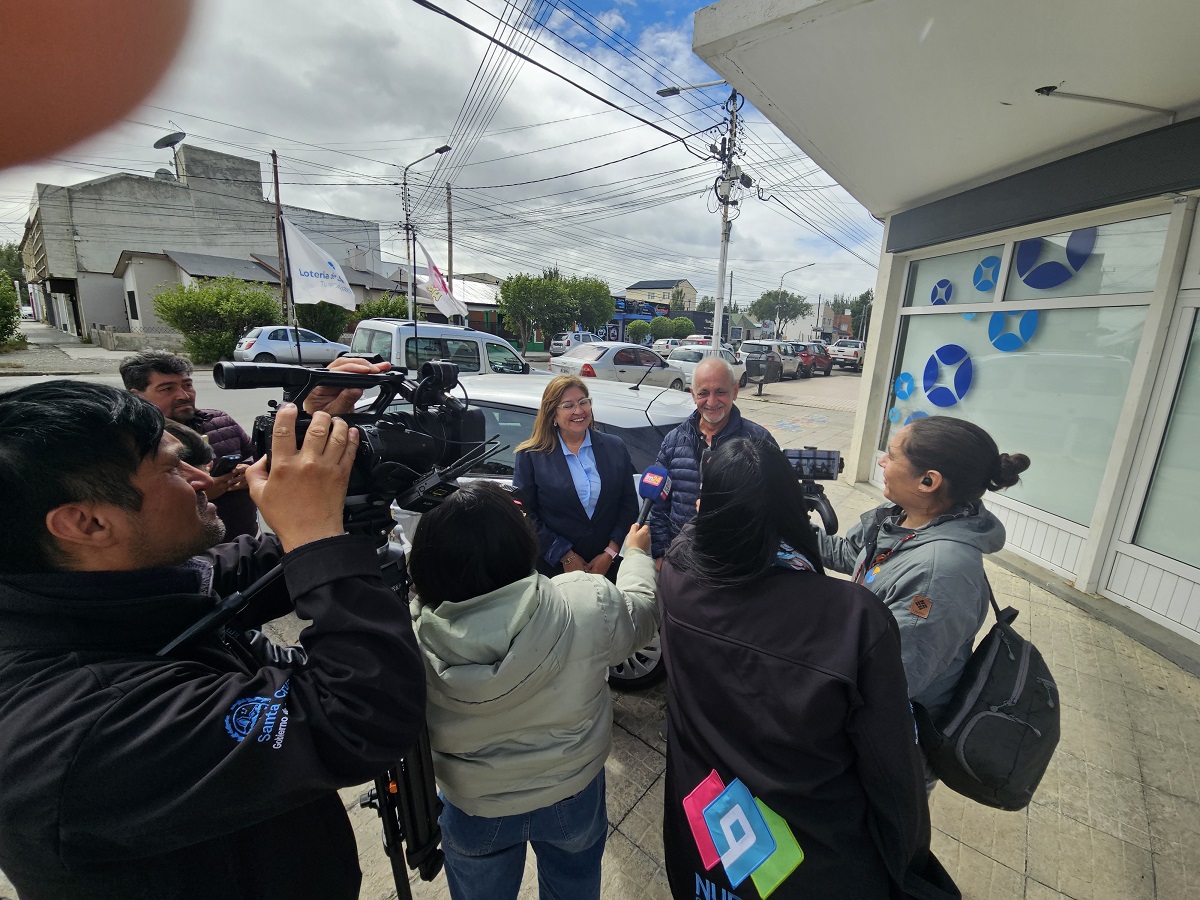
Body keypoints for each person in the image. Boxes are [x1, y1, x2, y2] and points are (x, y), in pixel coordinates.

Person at [0, 376, 426, 899]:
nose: (203, 479)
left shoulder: (89, 591)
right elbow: (360, 716)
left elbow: (242, 571)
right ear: (86, 523)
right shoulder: (73, 727)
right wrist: (317, 538)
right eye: (171, 468)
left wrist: (317, 449)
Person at [658, 438, 959, 900]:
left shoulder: (677, 576)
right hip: (817, 856)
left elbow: (691, 538)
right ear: (793, 508)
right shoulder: (853, 621)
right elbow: (891, 773)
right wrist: (912, 868)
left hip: (703, 841)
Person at [407, 481, 659, 900]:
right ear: (523, 544)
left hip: (473, 807)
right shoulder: (585, 601)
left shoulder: (408, 641)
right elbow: (644, 615)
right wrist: (634, 556)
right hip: (572, 793)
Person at [817, 416, 1031, 739]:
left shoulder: (939, 577)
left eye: (892, 455)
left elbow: (890, 681)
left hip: (893, 736)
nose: (881, 461)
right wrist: (786, 527)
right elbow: (851, 555)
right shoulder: (904, 517)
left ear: (928, 481)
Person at [649, 356, 777, 563]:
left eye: (720, 392)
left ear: (735, 391)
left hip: (736, 564)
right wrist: (661, 554)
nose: (712, 401)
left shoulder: (759, 441)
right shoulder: (673, 441)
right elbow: (659, 507)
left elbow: (774, 507)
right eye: (703, 393)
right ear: (693, 395)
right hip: (681, 562)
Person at [120, 350, 258, 539]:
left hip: (245, 543)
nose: (184, 395)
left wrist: (249, 473)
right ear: (137, 396)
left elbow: (256, 457)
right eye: (167, 389)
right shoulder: (129, 441)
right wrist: (197, 494)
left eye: (187, 385)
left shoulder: (220, 421)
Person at [513, 375, 637, 578]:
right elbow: (525, 515)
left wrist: (610, 553)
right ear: (552, 414)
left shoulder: (615, 447)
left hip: (607, 567)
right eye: (568, 405)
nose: (578, 411)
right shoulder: (530, 456)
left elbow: (629, 505)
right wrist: (564, 555)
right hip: (555, 571)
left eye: (583, 402)